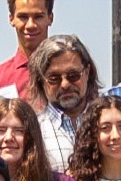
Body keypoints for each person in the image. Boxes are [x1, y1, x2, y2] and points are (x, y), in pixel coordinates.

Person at [27, 34, 101, 172]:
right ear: (41, 81)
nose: (65, 84)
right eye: (54, 78)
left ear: (87, 72)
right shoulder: (32, 131)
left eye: (73, 75)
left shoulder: (109, 124)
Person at [0, 0, 54, 94]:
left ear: (50, 18)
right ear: (11, 19)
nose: (31, 25)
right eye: (23, 17)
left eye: (38, 17)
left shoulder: (71, 78)